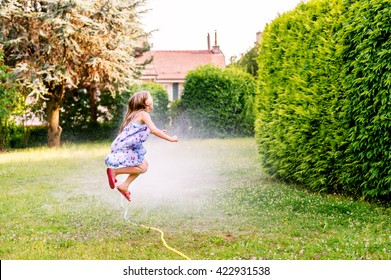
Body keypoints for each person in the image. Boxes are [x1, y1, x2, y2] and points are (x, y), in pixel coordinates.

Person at [105, 90, 178, 201]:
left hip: (125, 145)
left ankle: (124, 185)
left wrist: (158, 131)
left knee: (144, 165)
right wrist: (170, 139)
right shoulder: (143, 114)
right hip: (127, 147)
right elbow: (153, 130)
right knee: (142, 167)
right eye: (150, 97)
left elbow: (137, 131)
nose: (151, 99)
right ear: (145, 101)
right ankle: (115, 172)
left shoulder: (134, 115)